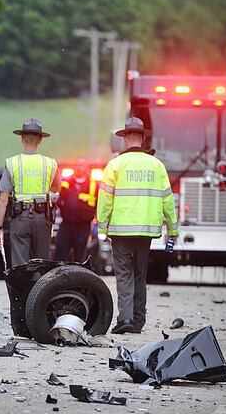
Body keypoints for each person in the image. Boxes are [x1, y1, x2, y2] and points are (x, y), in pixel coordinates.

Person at [97, 117, 179, 334]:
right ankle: (138, 321)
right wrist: (173, 230)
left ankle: (125, 319)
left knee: (124, 274)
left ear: (125, 139)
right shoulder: (157, 165)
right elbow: (167, 200)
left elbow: (105, 199)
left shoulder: (115, 164)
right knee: (140, 274)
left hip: (121, 230)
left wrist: (102, 228)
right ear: (142, 138)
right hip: (146, 230)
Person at [0, 118, 60, 267]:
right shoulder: (50, 163)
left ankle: (23, 290)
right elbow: (56, 188)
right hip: (43, 220)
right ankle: (39, 290)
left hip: (20, 219)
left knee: (21, 267)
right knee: (42, 265)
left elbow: (3, 199)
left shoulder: (12, 163)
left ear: (22, 139)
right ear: (40, 140)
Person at [55, 159, 95, 262]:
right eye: (77, 165)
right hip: (66, 224)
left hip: (83, 225)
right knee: (60, 254)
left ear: (86, 168)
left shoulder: (93, 185)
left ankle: (79, 277)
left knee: (80, 257)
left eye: (81, 165)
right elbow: (59, 199)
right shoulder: (67, 182)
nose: (78, 167)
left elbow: (97, 203)